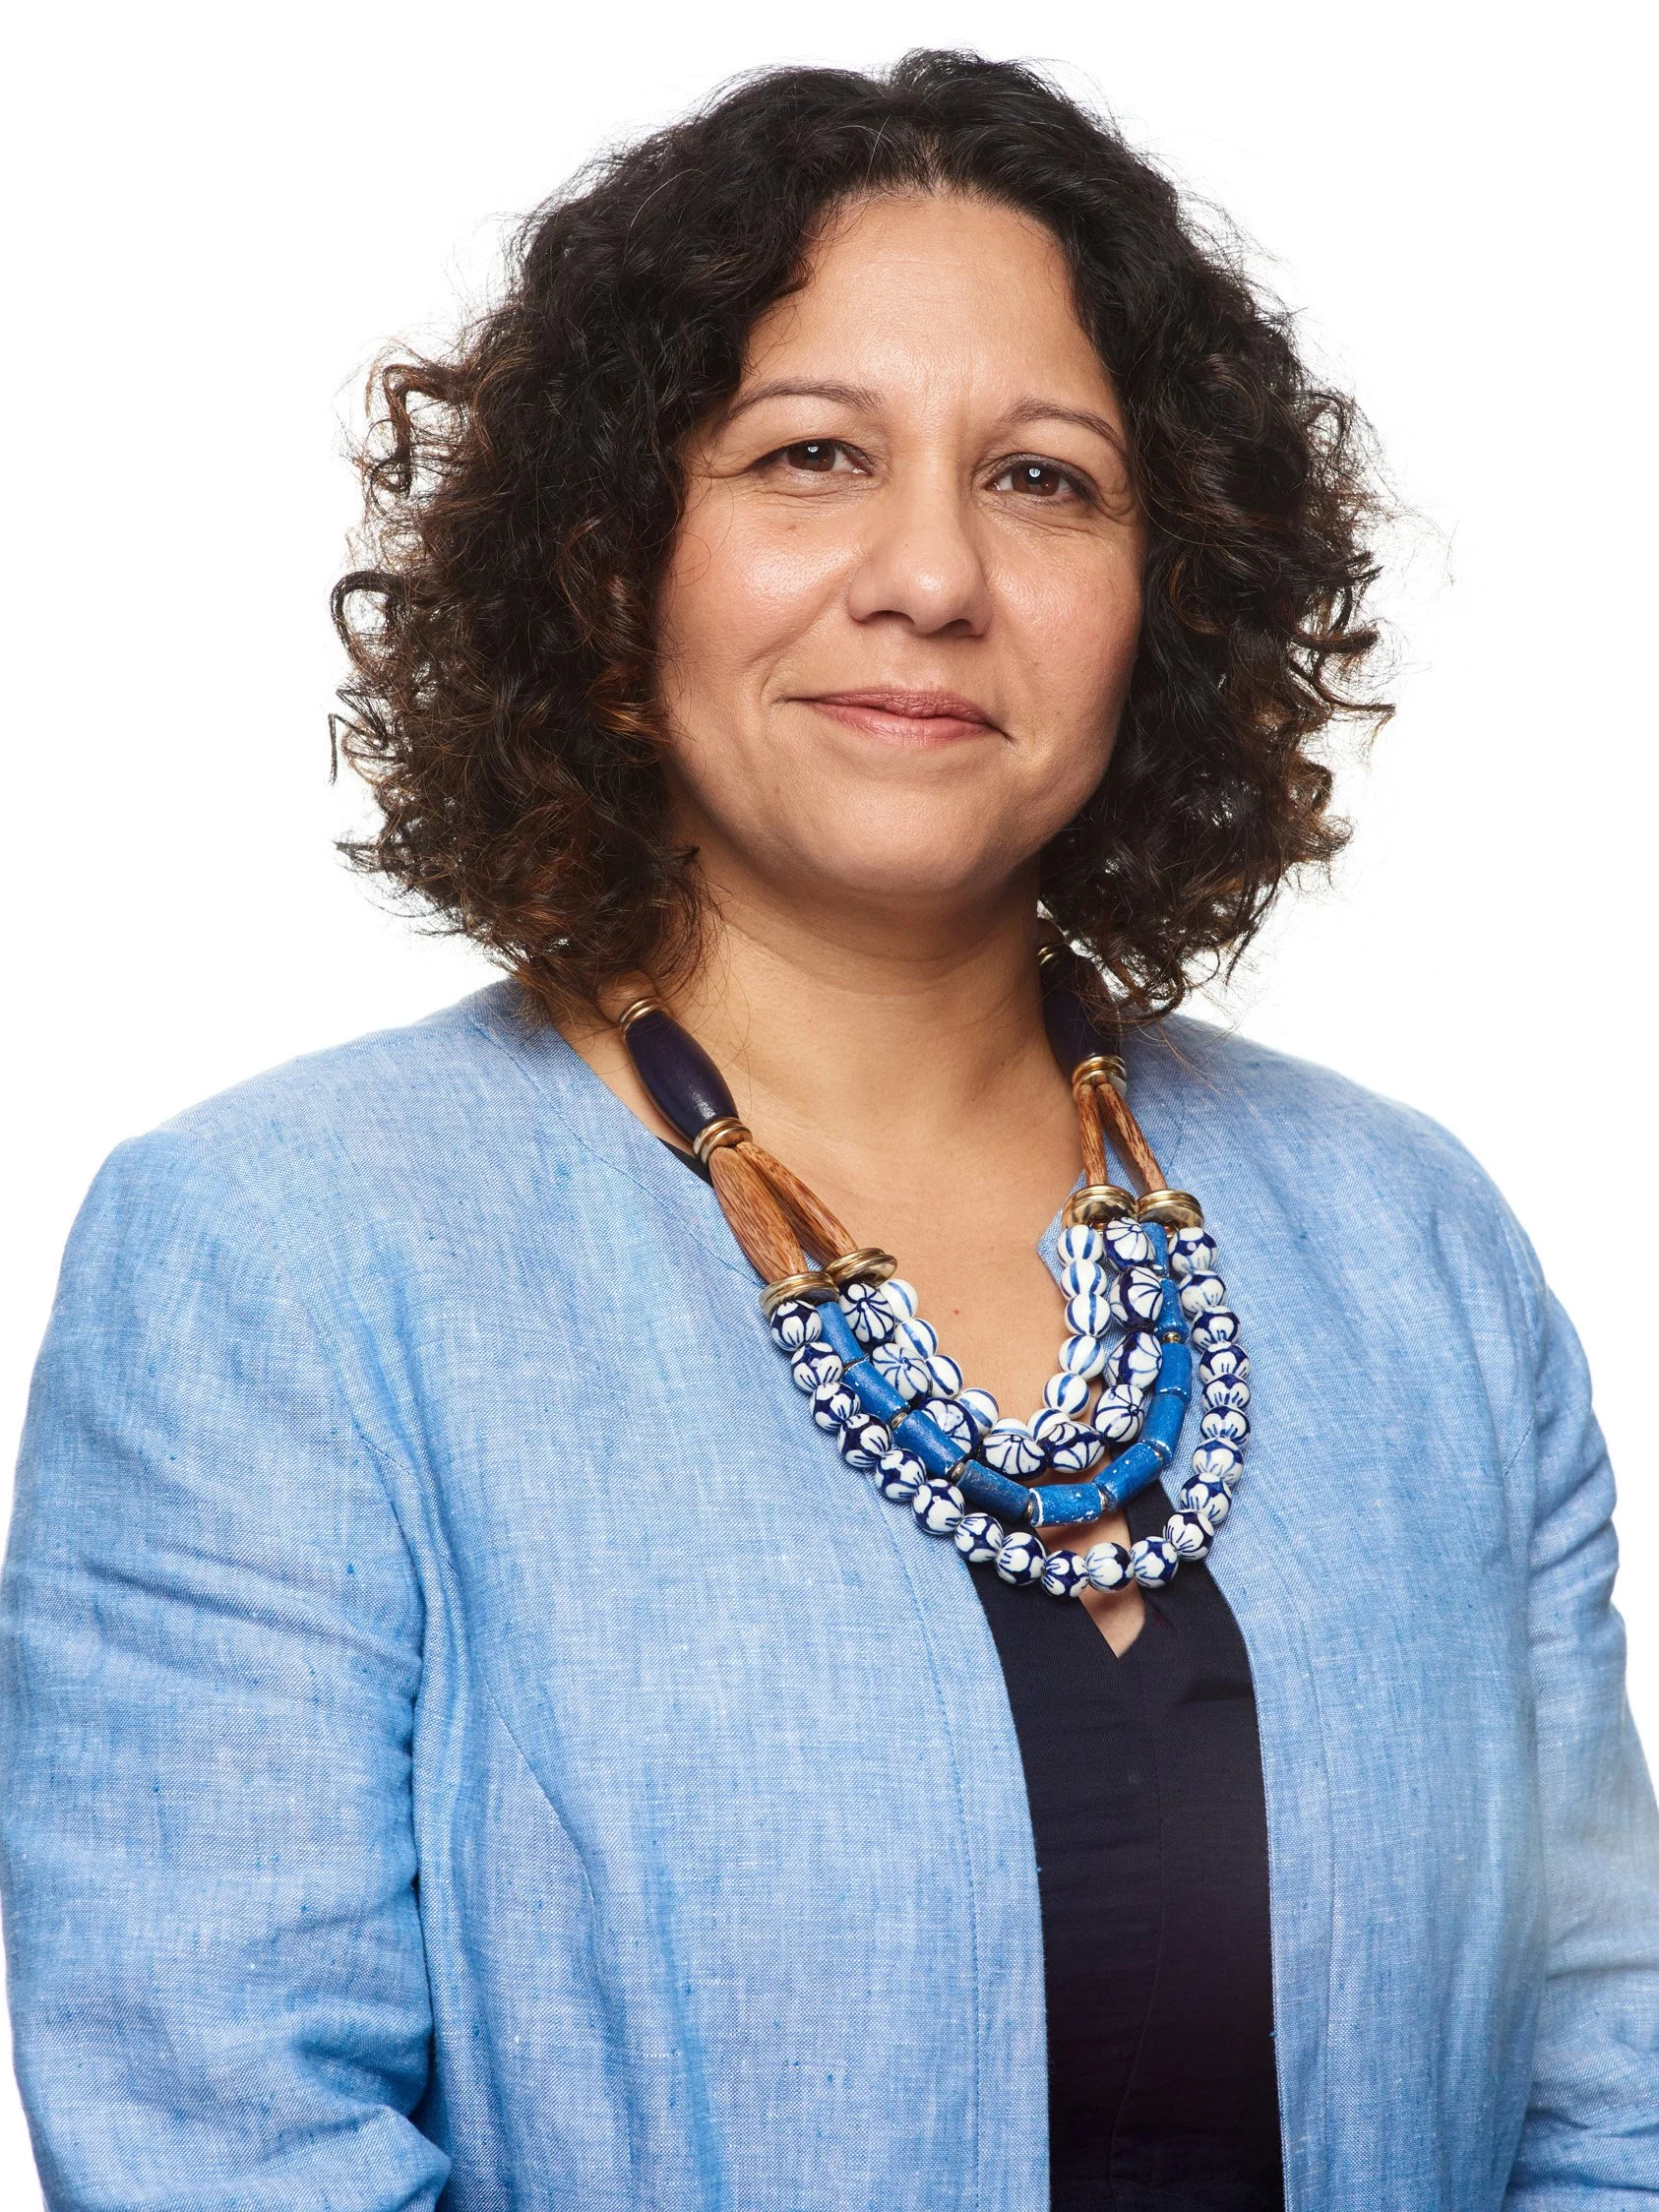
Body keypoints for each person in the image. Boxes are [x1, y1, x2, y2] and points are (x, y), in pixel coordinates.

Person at [3, 48, 1655, 2212]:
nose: (932, 576)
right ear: (614, 571)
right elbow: (227, 2143)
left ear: (1172, 596)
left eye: (1048, 480)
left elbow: (1607, 2085)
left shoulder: (1414, 1243)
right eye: (810, 455)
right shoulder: (283, 1260)